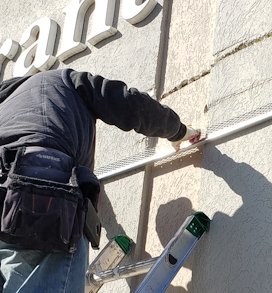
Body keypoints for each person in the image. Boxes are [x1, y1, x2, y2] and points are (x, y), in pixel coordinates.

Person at [0, 69, 201, 292]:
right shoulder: (61, 80)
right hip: (41, 191)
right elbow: (128, 104)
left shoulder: (5, 105)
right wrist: (177, 130)